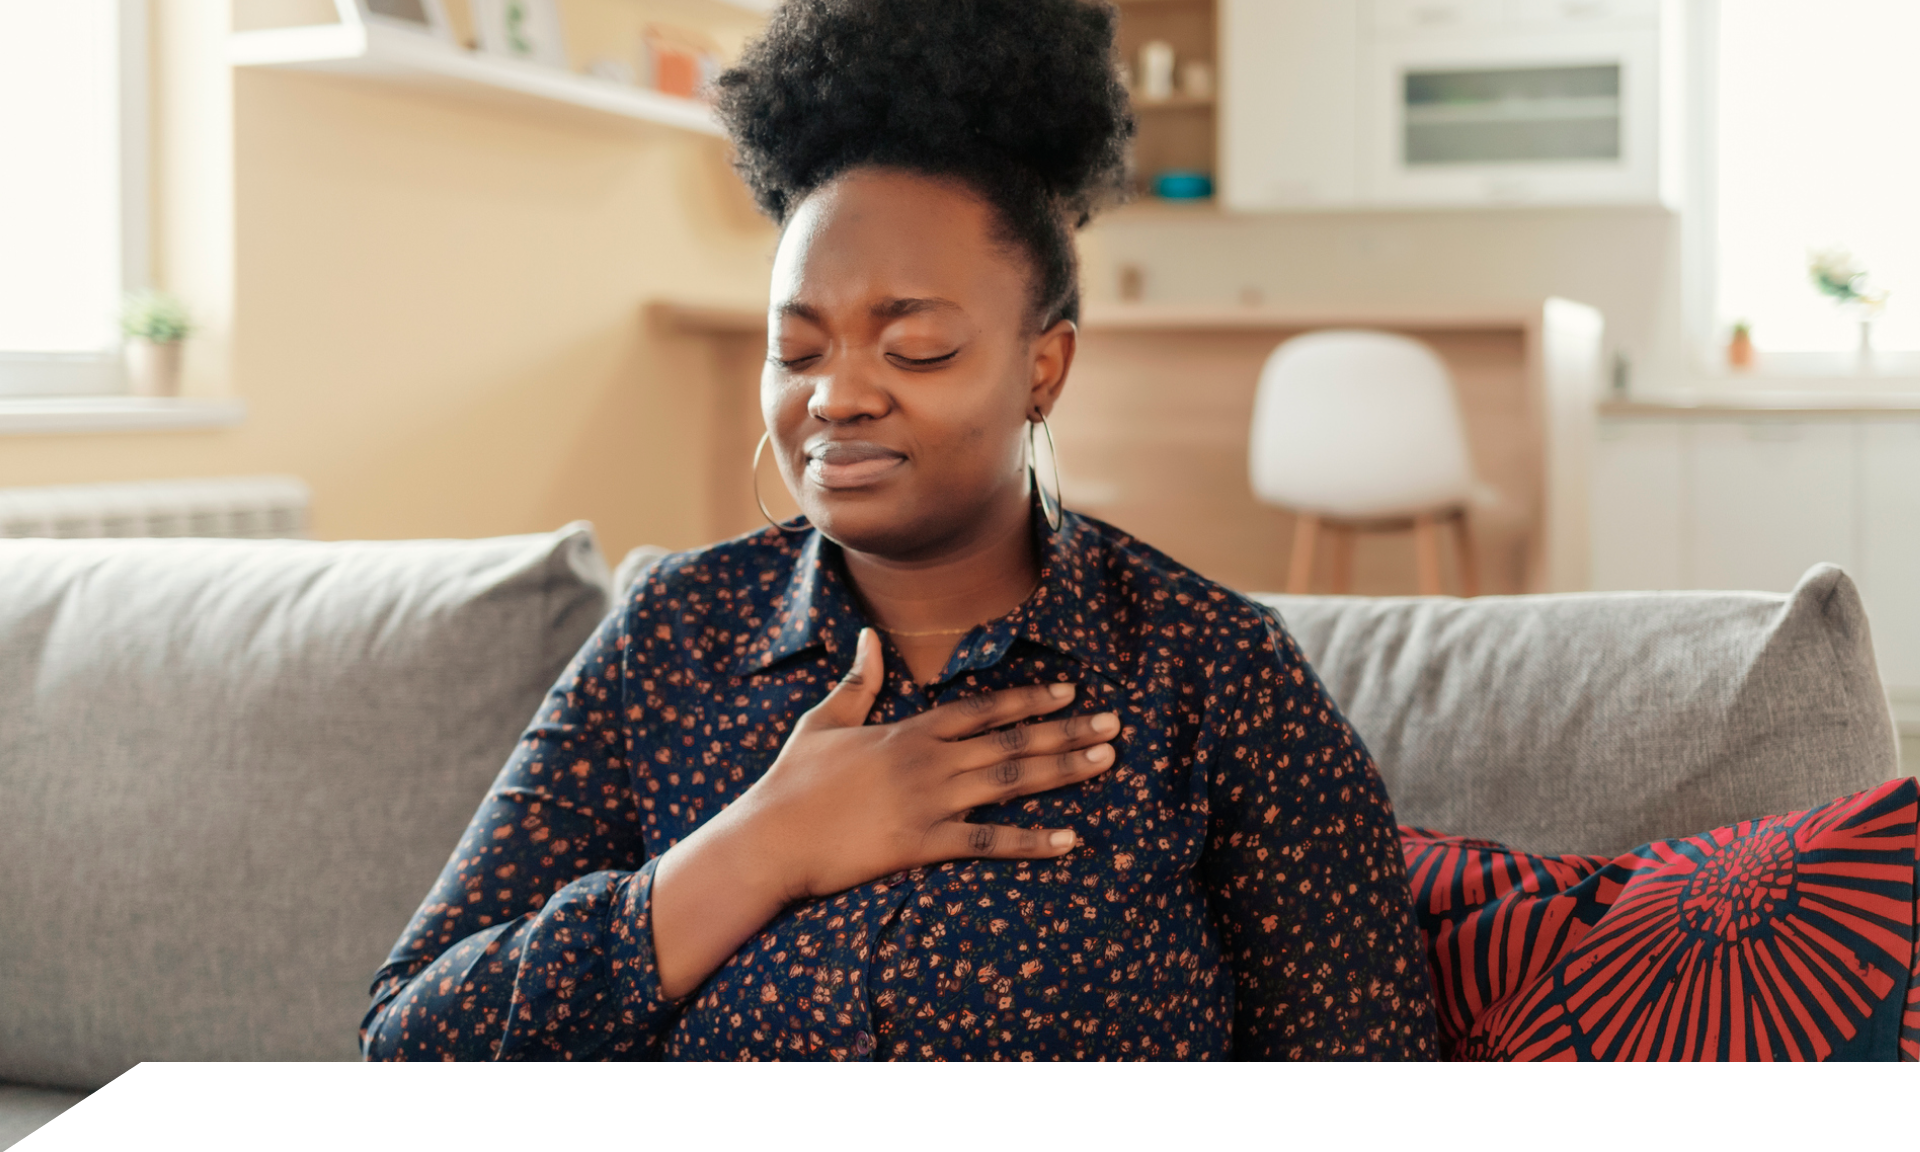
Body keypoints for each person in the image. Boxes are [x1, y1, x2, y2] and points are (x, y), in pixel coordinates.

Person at [363, 0, 1437, 1061]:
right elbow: (412, 1034)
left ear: (1043, 369)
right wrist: (759, 849)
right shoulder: (675, 642)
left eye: (915, 348)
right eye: (797, 350)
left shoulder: (1212, 676)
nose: (836, 397)